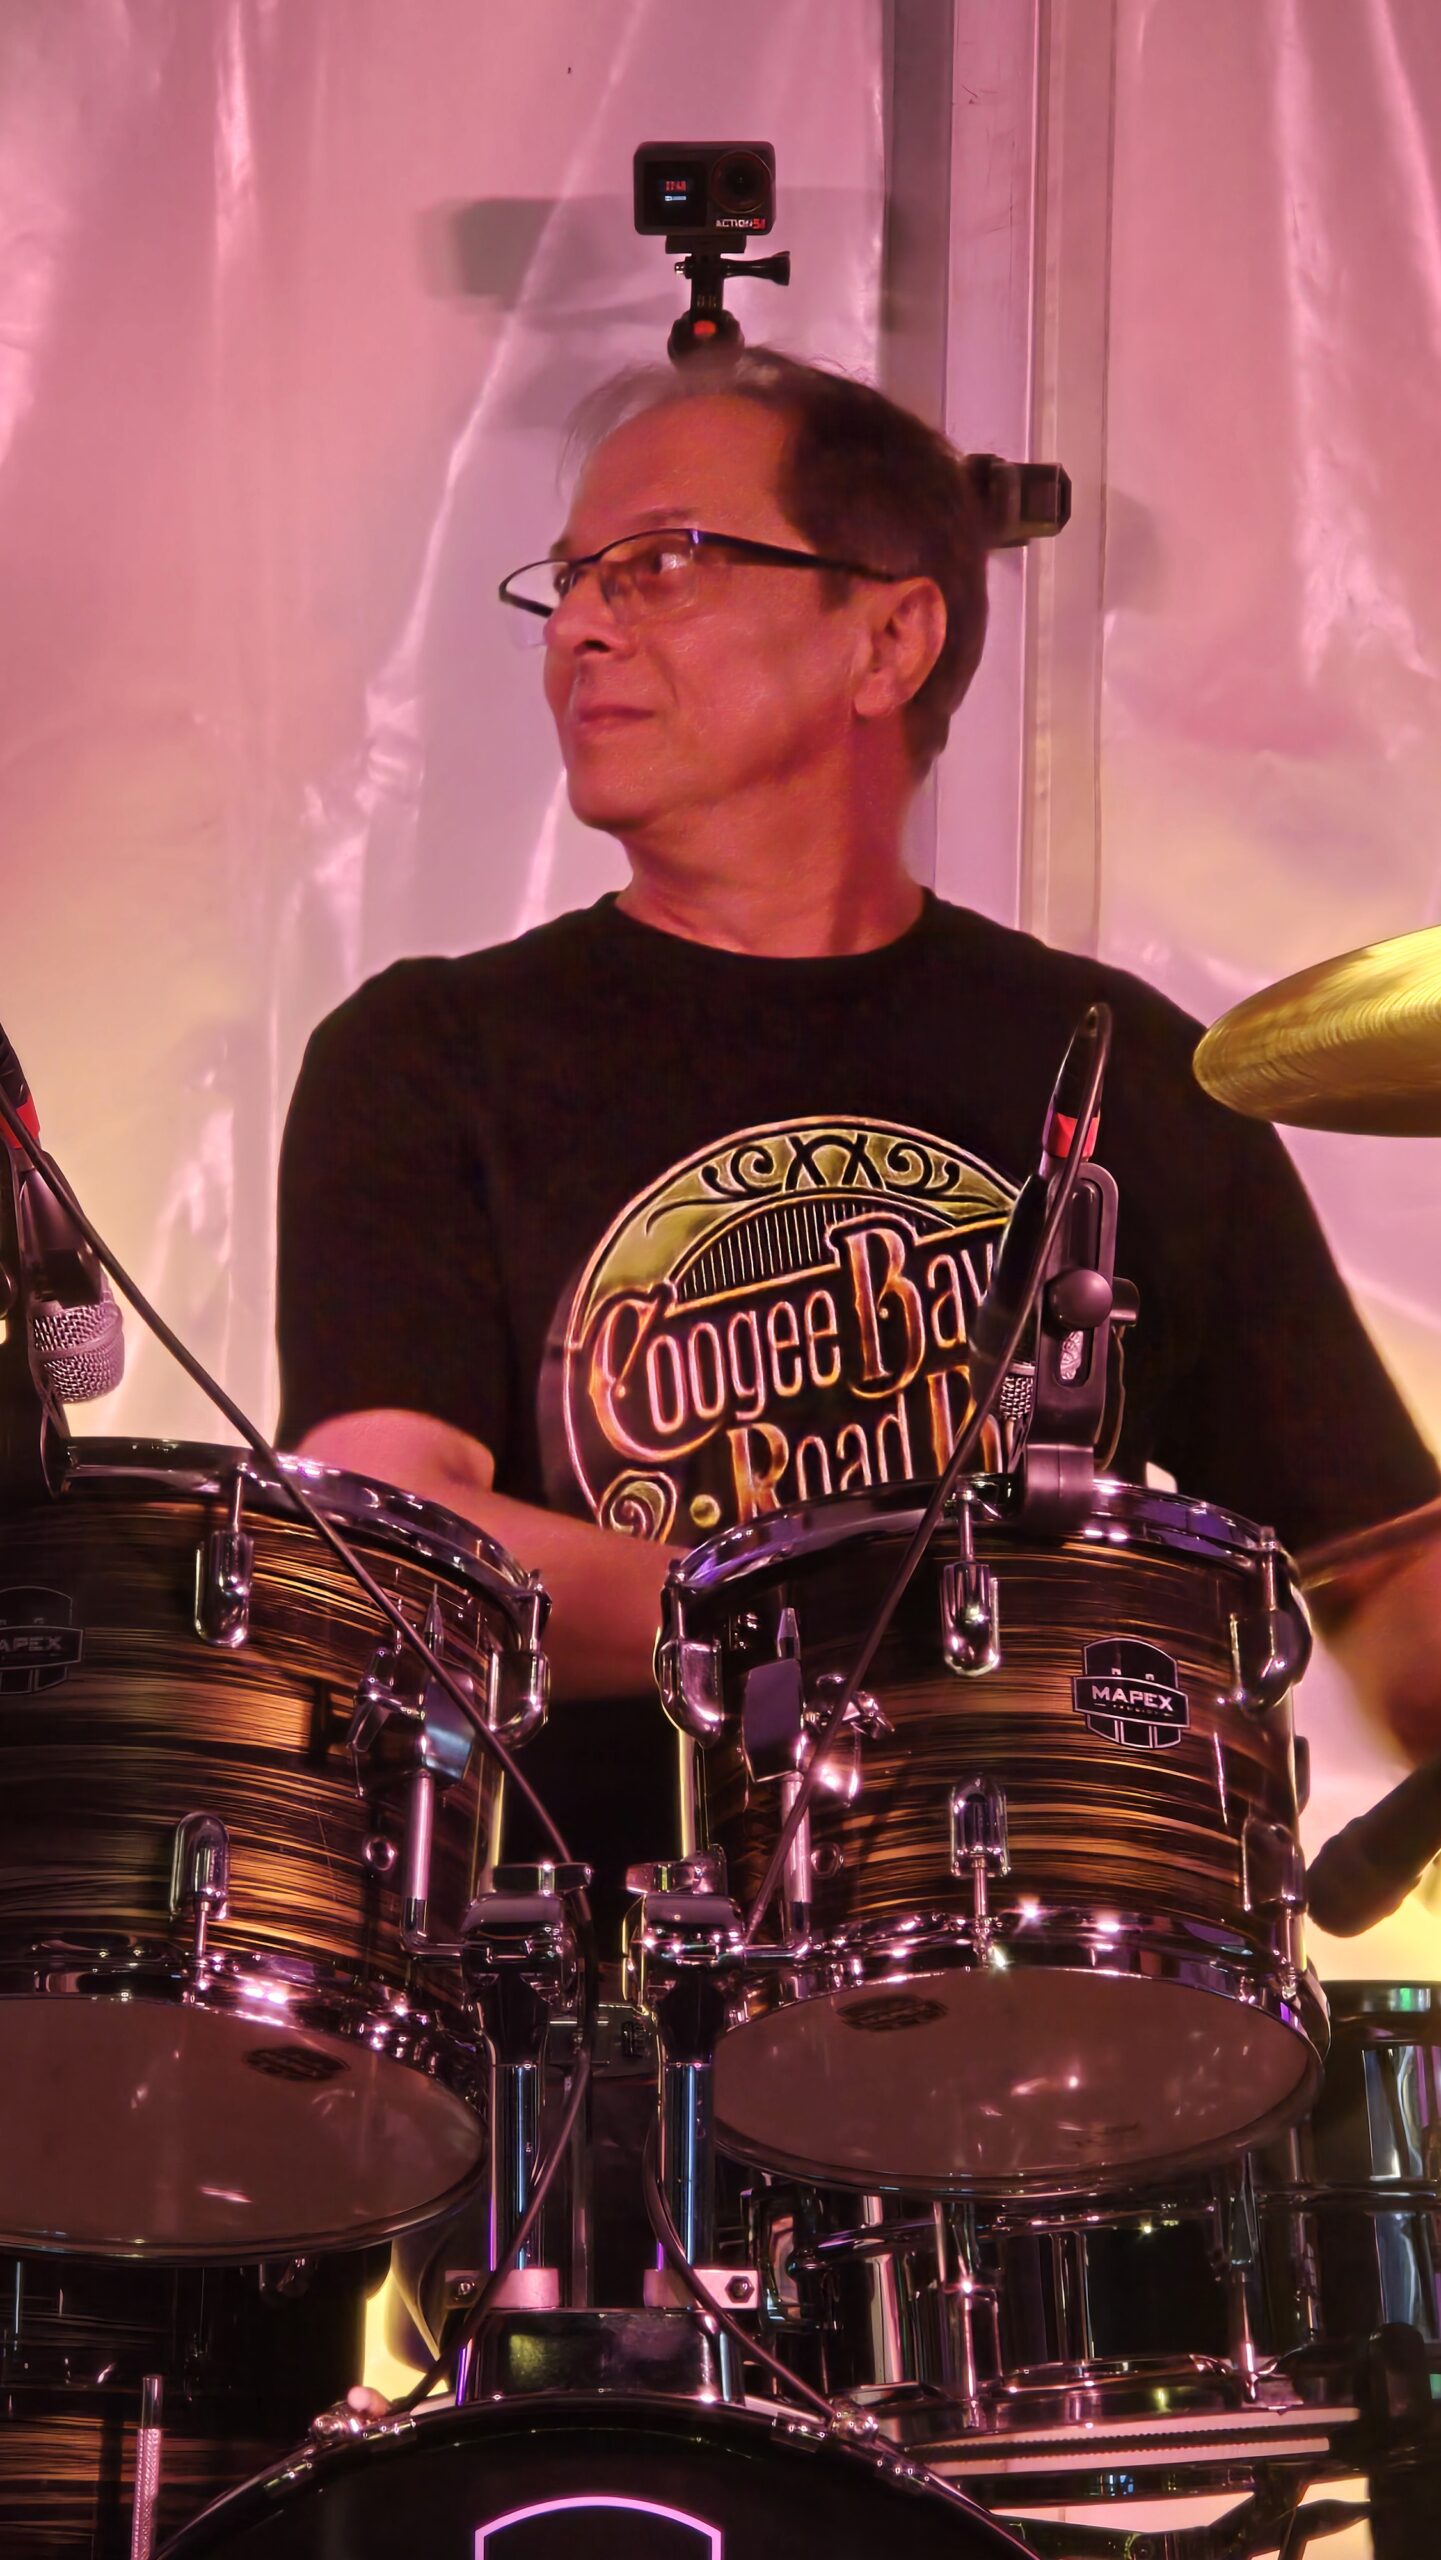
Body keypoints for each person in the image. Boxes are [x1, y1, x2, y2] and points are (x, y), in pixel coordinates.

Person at [276, 347, 1441, 1927]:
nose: (578, 627)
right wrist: (863, 1631)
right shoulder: (428, 1051)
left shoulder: (1119, 1065)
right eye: (568, 580)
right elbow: (392, 1542)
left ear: (888, 638)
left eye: (661, 563)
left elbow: (1379, 1582)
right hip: (598, 1998)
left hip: (1045, 1977)